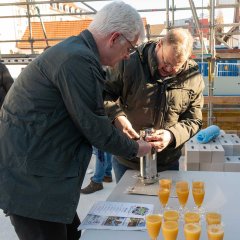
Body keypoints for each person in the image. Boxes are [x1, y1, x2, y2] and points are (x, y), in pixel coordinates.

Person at [0, 2, 152, 240]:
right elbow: (95, 129)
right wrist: (137, 148)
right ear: (114, 38)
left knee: (72, 234)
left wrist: (117, 120)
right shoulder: (78, 60)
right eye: (130, 48)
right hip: (32, 185)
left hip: (42, 174)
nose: (127, 56)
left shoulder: (76, 52)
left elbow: (86, 107)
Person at [104, 28, 205, 183]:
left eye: (177, 66)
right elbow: (103, 94)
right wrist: (117, 116)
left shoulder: (192, 76)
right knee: (127, 205)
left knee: (164, 206)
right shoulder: (128, 62)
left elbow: (194, 119)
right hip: (128, 159)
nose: (169, 69)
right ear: (159, 45)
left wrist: (171, 135)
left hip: (167, 163)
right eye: (166, 62)